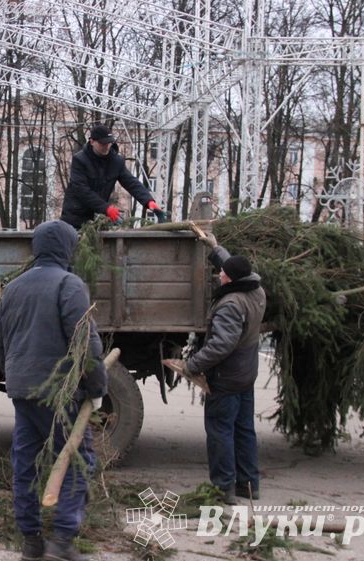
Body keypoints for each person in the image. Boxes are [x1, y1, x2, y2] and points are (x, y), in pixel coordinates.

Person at [0, 220, 107, 561]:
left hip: (22, 387)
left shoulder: (13, 287)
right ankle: (61, 541)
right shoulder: (69, 284)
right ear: (65, 247)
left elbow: (1, 342)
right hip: (59, 391)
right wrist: (97, 387)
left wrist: (15, 377)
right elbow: (84, 341)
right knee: (76, 459)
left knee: (25, 462)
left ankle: (30, 542)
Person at [186, 233, 266, 505]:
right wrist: (215, 246)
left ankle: (223, 488)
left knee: (220, 430)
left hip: (227, 378)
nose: (219, 275)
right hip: (246, 375)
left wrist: (193, 365)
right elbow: (236, 267)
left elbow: (221, 345)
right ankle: (248, 485)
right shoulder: (256, 292)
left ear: (230, 280)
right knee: (244, 430)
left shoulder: (231, 305)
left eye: (222, 273)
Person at [60, 123, 168, 228]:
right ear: (92, 141)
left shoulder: (116, 161)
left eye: (109, 143)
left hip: (97, 217)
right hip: (75, 214)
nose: (106, 146)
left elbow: (131, 183)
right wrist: (106, 208)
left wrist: (148, 201)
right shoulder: (80, 160)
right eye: (102, 144)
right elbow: (81, 189)